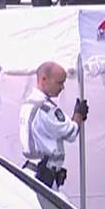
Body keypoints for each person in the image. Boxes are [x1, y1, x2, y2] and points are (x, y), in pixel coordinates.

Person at [19, 60, 88, 190]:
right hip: (44, 177)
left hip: (33, 171)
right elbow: (71, 133)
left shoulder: (27, 104)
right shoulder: (47, 109)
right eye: (59, 83)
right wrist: (78, 115)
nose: (62, 88)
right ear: (44, 79)